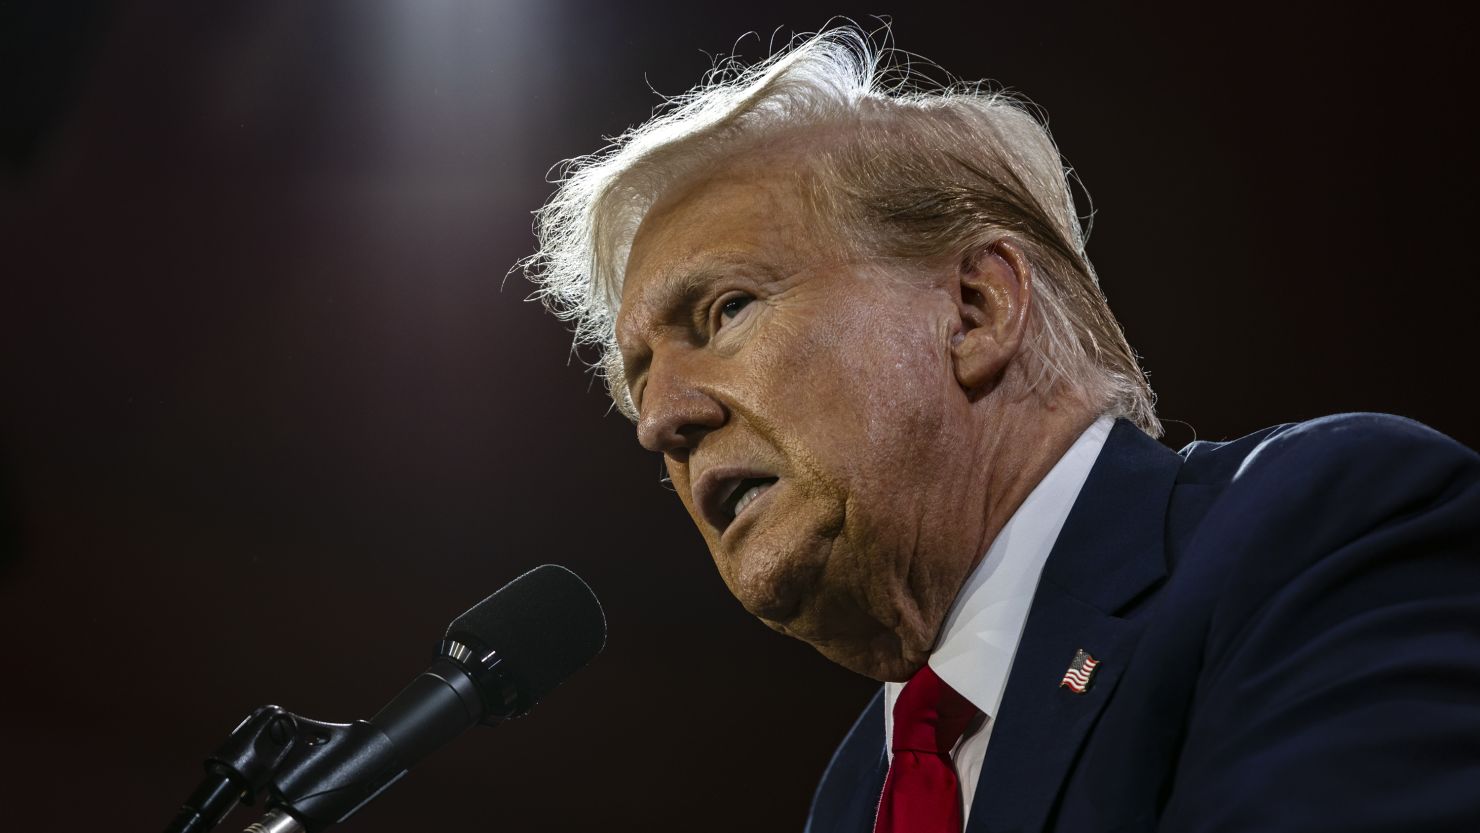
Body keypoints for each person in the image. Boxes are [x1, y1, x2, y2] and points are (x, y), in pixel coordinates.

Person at [521, 27, 1480, 833]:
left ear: (976, 308)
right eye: (639, 380)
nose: (661, 422)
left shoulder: (1316, 531)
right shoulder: (856, 796)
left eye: (726, 310)